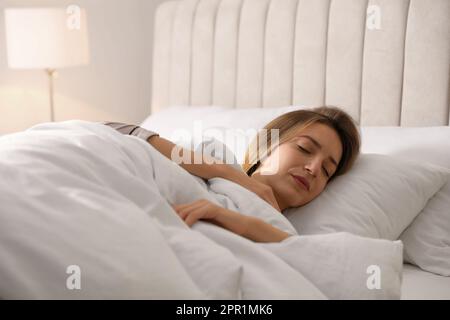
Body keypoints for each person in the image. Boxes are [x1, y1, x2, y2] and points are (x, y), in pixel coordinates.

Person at [104, 106, 360, 243]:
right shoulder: (212, 154)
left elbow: (303, 255)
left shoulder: (280, 230)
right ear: (268, 144)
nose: (314, 169)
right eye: (304, 148)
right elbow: (113, 131)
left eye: (327, 171)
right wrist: (227, 173)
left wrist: (223, 215)